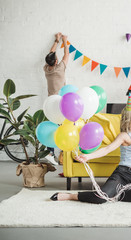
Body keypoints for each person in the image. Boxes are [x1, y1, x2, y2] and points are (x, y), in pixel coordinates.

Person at [50, 95, 131, 204]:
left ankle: (115, 194)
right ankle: (71, 196)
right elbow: (107, 149)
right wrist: (88, 156)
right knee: (100, 198)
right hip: (122, 174)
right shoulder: (125, 136)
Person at [43, 32, 69, 165]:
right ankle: (64, 154)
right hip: (60, 103)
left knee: (52, 127)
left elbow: (50, 55)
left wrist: (56, 40)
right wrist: (64, 41)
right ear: (56, 61)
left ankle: (50, 152)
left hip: (49, 103)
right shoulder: (60, 69)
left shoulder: (47, 69)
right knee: (63, 127)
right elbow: (66, 54)